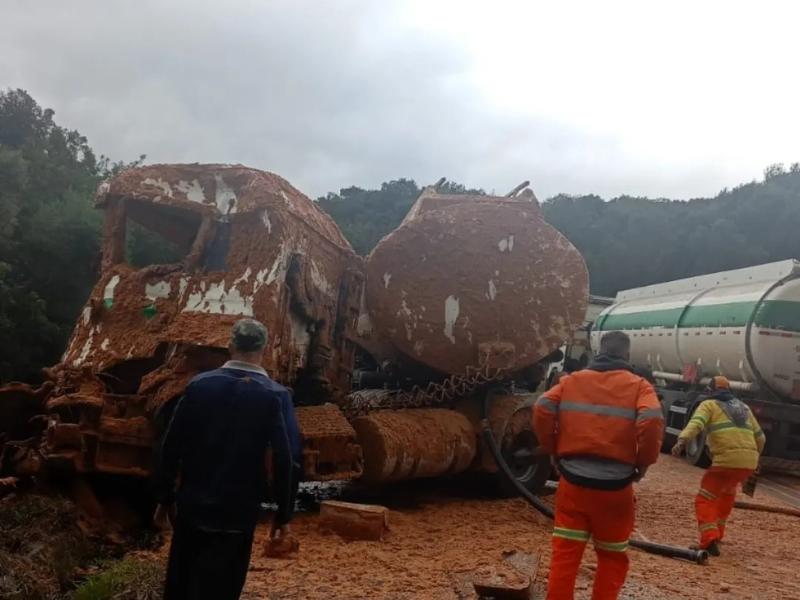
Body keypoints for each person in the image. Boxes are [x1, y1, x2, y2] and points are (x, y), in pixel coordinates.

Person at [153, 318, 299, 600]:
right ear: (264, 350)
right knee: (223, 588)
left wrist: (164, 497)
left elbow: (171, 445)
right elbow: (286, 458)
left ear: (230, 346)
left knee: (181, 585)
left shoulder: (199, 386)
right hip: (238, 512)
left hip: (192, 508)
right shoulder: (275, 396)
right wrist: (283, 515)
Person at [533, 331, 664, 600]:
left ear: (597, 351)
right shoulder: (640, 386)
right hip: (616, 491)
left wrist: (552, 448)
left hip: (573, 483)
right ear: (627, 355)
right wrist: (644, 462)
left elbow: (542, 405)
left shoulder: (572, 381)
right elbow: (651, 420)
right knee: (612, 558)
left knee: (566, 556)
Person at [671, 375, 765, 556]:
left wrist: (682, 441)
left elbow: (696, 424)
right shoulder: (744, 407)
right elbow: (761, 437)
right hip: (748, 463)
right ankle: (719, 533)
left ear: (710, 391)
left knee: (705, 498)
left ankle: (709, 539)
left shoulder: (709, 405)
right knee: (727, 493)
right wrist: (754, 457)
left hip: (725, 462)